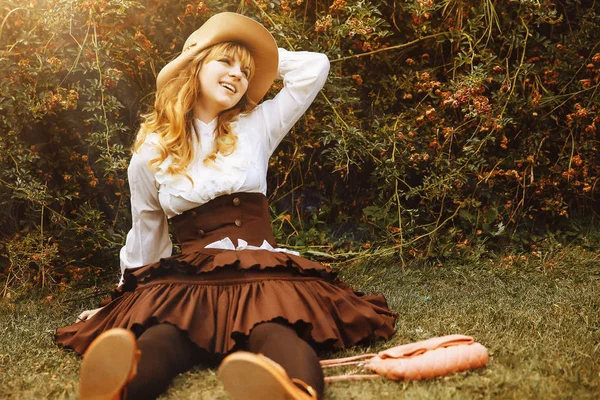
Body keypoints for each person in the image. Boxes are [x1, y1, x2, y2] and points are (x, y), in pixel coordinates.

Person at [56, 12, 397, 400]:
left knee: (273, 331)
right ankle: (116, 392)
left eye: (246, 72)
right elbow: (146, 234)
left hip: (259, 270)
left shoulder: (257, 124)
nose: (238, 75)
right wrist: (122, 297)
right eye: (225, 62)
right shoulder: (150, 153)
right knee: (164, 337)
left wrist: (262, 55)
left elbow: (314, 68)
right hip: (191, 279)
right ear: (195, 66)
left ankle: (297, 392)